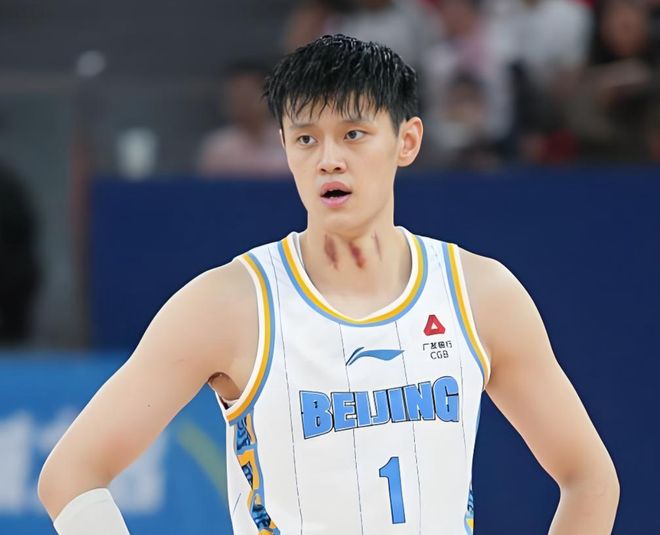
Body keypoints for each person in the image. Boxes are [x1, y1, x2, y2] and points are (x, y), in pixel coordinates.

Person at [38, 35, 619, 534]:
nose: (329, 160)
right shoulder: (228, 304)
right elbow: (71, 474)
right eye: (306, 139)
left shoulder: (480, 294)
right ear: (285, 148)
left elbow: (589, 477)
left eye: (354, 134)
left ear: (407, 141)